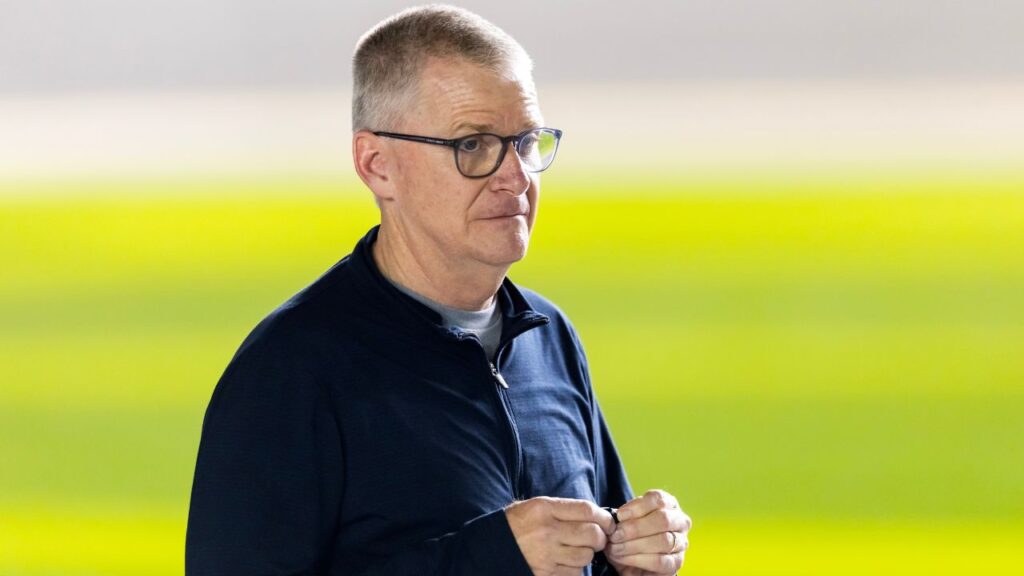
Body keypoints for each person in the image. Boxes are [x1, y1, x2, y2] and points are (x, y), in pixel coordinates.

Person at [185, 5, 691, 575]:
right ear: (376, 165)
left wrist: (638, 557)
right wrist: (490, 559)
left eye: (525, 142)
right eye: (472, 145)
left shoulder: (548, 338)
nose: (516, 176)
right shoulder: (292, 370)